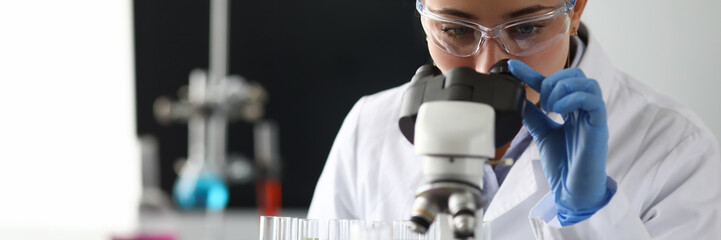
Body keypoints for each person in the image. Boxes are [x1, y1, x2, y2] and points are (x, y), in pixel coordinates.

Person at [307, 0, 721, 238]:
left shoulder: (676, 148)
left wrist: (594, 219)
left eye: (526, 29)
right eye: (455, 30)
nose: (488, 65)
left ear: (574, 9)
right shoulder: (369, 127)